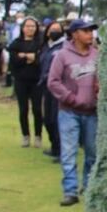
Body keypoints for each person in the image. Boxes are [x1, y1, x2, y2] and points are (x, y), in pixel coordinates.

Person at [48, 18, 100, 207]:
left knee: (92, 152)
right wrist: (71, 98)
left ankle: (88, 186)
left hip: (92, 112)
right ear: (75, 34)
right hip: (69, 112)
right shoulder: (62, 56)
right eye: (86, 31)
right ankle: (70, 191)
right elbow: (53, 82)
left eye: (91, 31)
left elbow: (102, 79)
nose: (90, 35)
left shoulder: (97, 55)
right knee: (69, 152)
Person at [8, 17, 43, 148]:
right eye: (28, 26)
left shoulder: (40, 43)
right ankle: (25, 135)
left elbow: (40, 60)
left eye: (33, 26)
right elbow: (14, 62)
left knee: (37, 109)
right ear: (23, 28)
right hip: (21, 81)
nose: (30, 29)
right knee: (23, 109)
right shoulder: (16, 44)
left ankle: (38, 135)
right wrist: (30, 58)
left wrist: (25, 56)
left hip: (36, 81)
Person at [38, 20, 66, 161]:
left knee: (56, 119)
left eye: (57, 29)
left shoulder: (64, 46)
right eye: (51, 29)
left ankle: (62, 151)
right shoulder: (45, 47)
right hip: (45, 87)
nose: (54, 31)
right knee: (48, 119)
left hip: (59, 87)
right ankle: (54, 147)